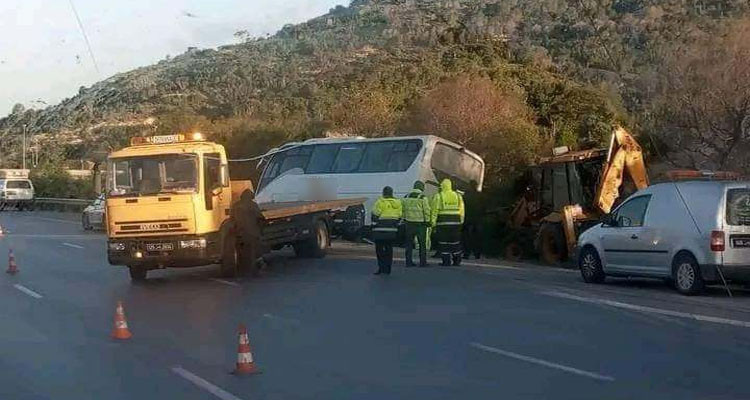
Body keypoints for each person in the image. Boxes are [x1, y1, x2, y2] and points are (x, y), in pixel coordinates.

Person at [431, 178, 465, 266]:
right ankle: (457, 261)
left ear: (442, 186)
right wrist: (461, 222)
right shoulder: (458, 196)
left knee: (444, 243)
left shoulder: (439, 196)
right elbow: (462, 211)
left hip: (443, 224)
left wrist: (433, 224)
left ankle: (446, 261)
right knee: (455, 242)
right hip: (456, 224)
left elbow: (434, 211)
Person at [231, 189, 264, 277]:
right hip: (253, 233)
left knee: (241, 253)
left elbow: (231, 219)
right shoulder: (253, 205)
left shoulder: (235, 205)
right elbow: (260, 218)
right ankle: (255, 270)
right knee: (255, 252)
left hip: (240, 234)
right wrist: (261, 230)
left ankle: (241, 270)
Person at [371, 186, 402, 275]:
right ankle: (388, 269)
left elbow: (375, 215)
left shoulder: (380, 202)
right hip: (392, 231)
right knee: (389, 250)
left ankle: (381, 268)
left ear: (383, 193)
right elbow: (400, 216)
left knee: (379, 251)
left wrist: (373, 226)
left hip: (379, 231)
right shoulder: (398, 203)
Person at [401, 180, 431, 267]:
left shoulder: (406, 197)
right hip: (420, 224)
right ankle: (422, 262)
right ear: (421, 187)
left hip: (409, 223)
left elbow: (403, 210)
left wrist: (404, 219)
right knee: (422, 244)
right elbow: (426, 211)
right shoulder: (422, 197)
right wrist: (428, 221)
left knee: (409, 244)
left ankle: (408, 262)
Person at [462, 180, 483, 260]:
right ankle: (477, 254)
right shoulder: (480, 195)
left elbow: (463, 206)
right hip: (478, 219)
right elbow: (483, 207)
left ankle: (466, 253)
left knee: (467, 237)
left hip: (468, 218)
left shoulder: (466, 195)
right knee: (477, 237)